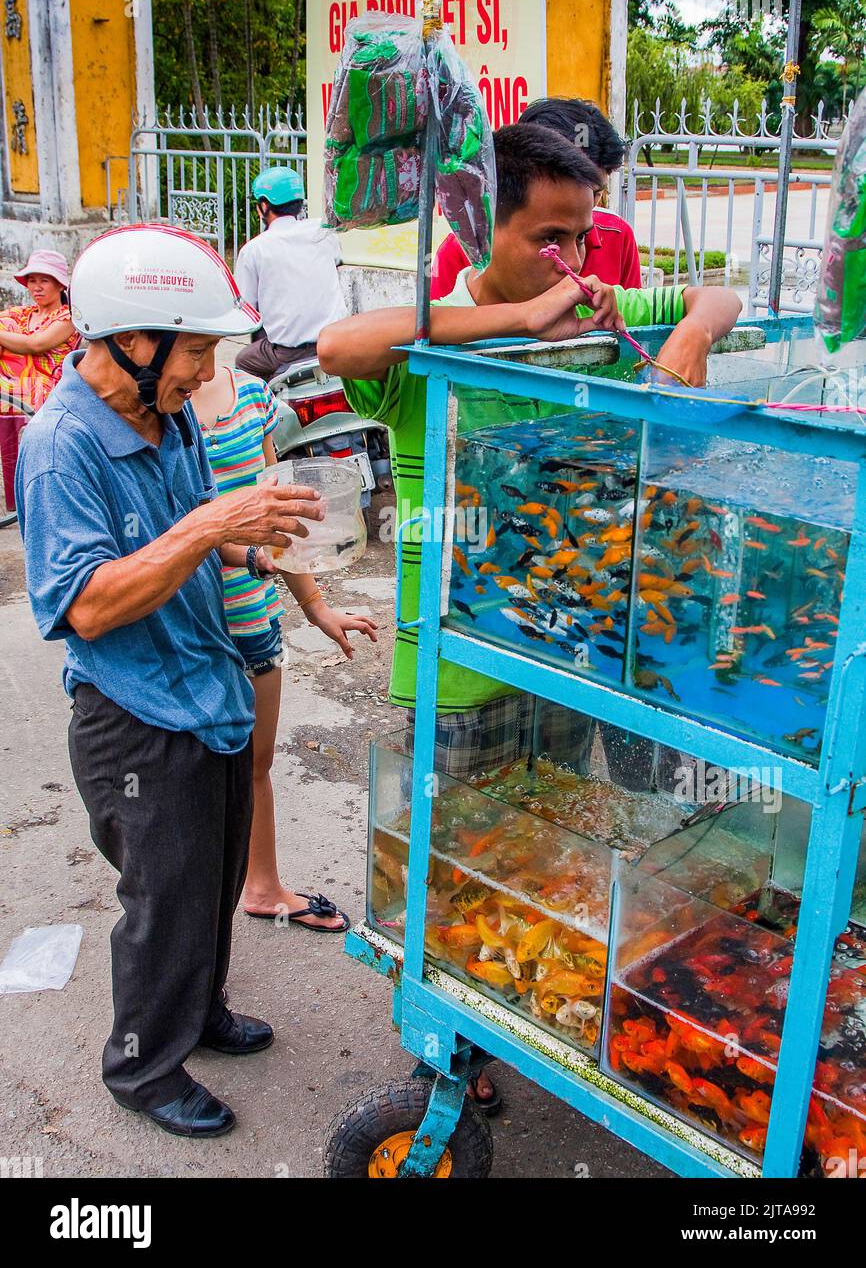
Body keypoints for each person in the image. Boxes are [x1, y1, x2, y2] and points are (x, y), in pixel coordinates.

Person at [318, 122, 742, 1111]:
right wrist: (523, 317)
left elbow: (721, 294)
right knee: (442, 859)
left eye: (583, 236)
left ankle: (516, 993)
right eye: (549, 237)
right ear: (477, 226)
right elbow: (337, 344)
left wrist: (685, 335)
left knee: (539, 850)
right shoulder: (435, 335)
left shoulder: (594, 310)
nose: (575, 258)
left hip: (565, 661)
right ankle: (442, 1050)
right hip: (457, 676)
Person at [15, 223, 326, 1139]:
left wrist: (242, 538)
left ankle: (200, 1010)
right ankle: (144, 1064)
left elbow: (187, 517)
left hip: (208, 684)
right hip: (136, 714)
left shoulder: (169, 409)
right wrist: (207, 529)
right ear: (131, 340)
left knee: (215, 875)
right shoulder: (59, 445)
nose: (206, 369)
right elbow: (85, 607)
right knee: (164, 896)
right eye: (195, 349)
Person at [190, 361, 377, 928]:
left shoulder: (250, 399)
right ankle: (186, 909)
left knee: (255, 762)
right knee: (183, 773)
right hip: (185, 624)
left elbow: (283, 519)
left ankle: (263, 885)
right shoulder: (155, 410)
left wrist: (317, 608)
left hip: (251, 616)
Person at [431, 98, 641, 301]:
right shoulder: (461, 251)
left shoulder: (618, 236)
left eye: (596, 194)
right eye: (550, 238)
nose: (573, 263)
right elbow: (430, 325)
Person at [234, 166, 347, 381]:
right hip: (333, 343)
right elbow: (336, 261)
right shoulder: (323, 232)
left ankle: (263, 407)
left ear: (264, 205)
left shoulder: (254, 250)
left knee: (243, 361)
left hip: (287, 352)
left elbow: (245, 307)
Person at [0, 249, 77, 409]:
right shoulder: (19, 314)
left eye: (44, 281)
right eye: (32, 281)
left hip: (48, 402)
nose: (37, 287)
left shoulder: (68, 317)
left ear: (60, 285)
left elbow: (35, 344)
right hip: (10, 397)